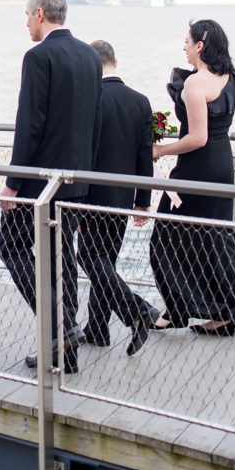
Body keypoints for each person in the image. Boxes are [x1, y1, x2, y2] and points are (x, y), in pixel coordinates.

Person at [0, 0, 102, 373]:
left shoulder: (38, 56)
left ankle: (61, 328)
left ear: (39, 13)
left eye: (26, 15)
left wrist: (12, 182)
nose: (26, 22)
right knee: (62, 261)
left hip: (40, 182)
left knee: (9, 246)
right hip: (77, 179)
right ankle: (65, 354)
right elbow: (96, 122)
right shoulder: (90, 55)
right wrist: (87, 179)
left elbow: (30, 124)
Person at [150, 19, 235, 336]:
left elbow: (197, 138)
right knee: (217, 236)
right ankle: (225, 312)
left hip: (197, 167)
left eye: (186, 41)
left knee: (165, 236)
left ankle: (181, 308)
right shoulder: (230, 77)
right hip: (223, 164)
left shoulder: (196, 84)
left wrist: (161, 150)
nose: (183, 46)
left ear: (200, 46)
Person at [77, 40, 159, 356]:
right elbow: (145, 156)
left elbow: (85, 155)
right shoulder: (140, 101)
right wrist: (143, 201)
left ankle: (136, 310)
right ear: (115, 60)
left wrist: (79, 205)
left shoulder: (90, 100)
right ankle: (97, 329)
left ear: (90, 66)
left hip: (93, 195)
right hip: (124, 196)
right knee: (105, 260)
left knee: (88, 257)